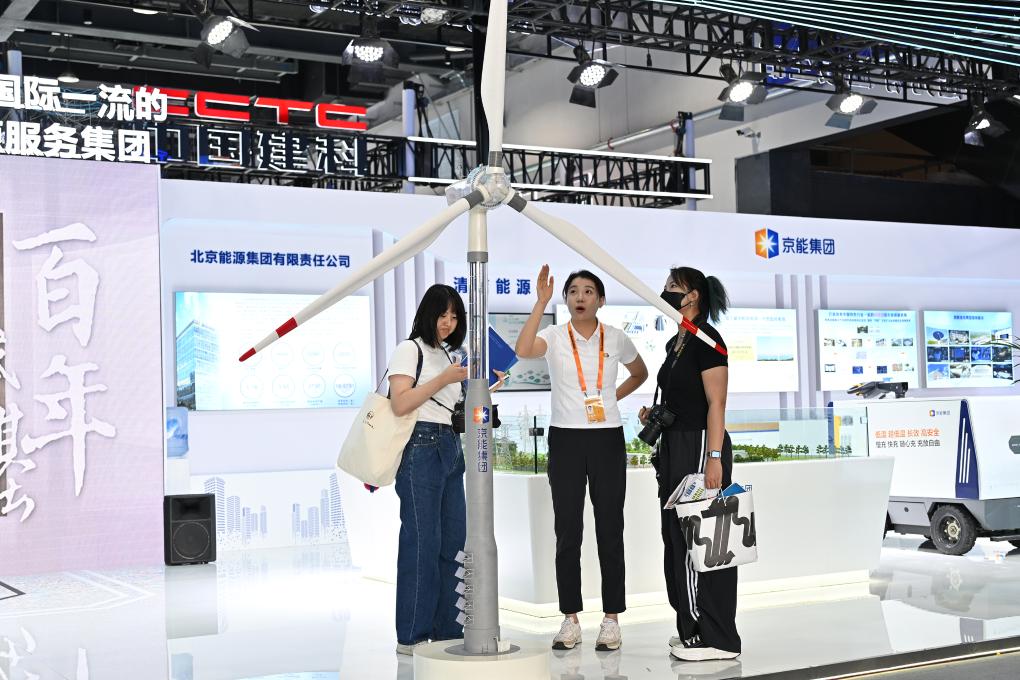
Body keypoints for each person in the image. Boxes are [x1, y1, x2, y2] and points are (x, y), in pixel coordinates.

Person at [516, 265, 648, 652]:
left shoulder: (616, 337)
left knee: (610, 529)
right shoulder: (554, 336)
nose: (580, 297)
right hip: (566, 439)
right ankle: (570, 618)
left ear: (600, 300)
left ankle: (611, 619)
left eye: (588, 291)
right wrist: (540, 303)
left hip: (607, 438)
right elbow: (523, 350)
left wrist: (610, 399)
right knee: (568, 532)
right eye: (573, 291)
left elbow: (640, 373)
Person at [386, 284, 504, 655]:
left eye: (454, 316)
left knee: (453, 543)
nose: (448, 322)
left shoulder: (448, 354)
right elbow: (400, 403)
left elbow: (450, 408)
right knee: (422, 543)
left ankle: (448, 631)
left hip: (450, 447)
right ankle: (412, 635)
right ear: (428, 313)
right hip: (420, 447)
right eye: (442, 314)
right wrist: (444, 379)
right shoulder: (410, 349)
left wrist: (487, 390)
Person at [641, 267, 741, 662]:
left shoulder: (707, 340)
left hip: (700, 444)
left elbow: (717, 403)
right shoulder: (677, 341)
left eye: (673, 287)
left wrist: (713, 459)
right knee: (676, 538)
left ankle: (713, 635)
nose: (664, 292)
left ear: (693, 295)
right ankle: (690, 625)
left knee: (701, 538)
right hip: (675, 445)